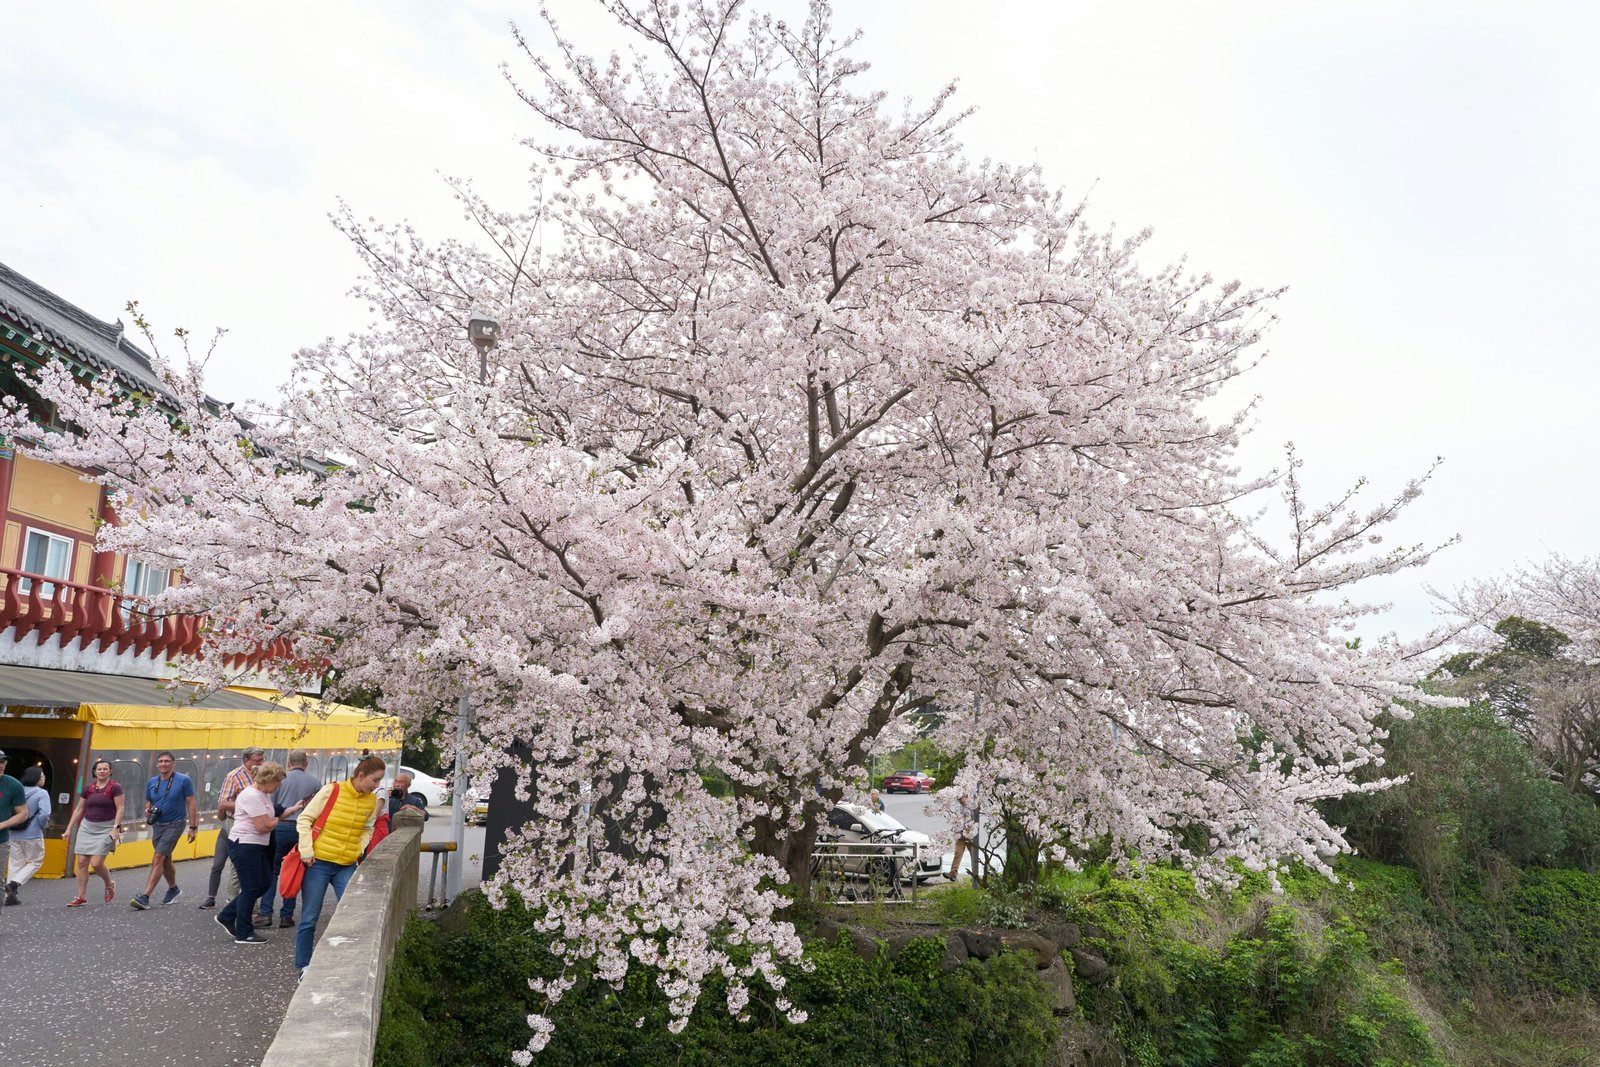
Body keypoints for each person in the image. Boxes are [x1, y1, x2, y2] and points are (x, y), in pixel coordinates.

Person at [293, 754, 385, 976]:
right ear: (360, 775)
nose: (377, 786)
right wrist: (306, 850)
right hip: (319, 862)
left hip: (346, 864)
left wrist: (358, 849)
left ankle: (348, 961)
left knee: (354, 913)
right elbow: (304, 819)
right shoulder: (331, 791)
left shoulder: (371, 801)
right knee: (310, 916)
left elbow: (367, 828)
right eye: (375, 780)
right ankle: (304, 966)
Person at [217, 762, 306, 944]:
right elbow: (263, 826)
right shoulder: (251, 796)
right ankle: (244, 932)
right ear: (268, 780)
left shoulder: (262, 794)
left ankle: (227, 915)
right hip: (245, 844)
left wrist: (291, 810)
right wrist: (279, 818)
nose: (279, 785)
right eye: (278, 781)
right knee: (251, 887)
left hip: (256, 845)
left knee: (264, 883)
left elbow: (270, 817)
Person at [259, 749, 320, 928]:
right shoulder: (315, 783)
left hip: (281, 826)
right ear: (306, 763)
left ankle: (265, 913)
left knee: (273, 870)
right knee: (294, 870)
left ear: (289, 763)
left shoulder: (281, 780)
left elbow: (273, 806)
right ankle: (287, 915)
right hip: (302, 829)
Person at [129, 752, 198, 910]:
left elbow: (191, 803)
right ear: (157, 764)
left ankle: (145, 897)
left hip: (175, 823)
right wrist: (148, 809)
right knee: (165, 858)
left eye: (167, 761)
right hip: (158, 825)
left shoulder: (183, 780)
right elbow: (148, 801)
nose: (164, 764)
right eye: (160, 761)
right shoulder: (152, 782)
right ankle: (173, 889)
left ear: (173, 763)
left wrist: (193, 827)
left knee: (158, 857)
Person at [200, 746, 265, 909]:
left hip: (255, 823)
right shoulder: (234, 776)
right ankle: (231, 901)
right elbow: (223, 802)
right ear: (246, 760)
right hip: (236, 822)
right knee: (234, 863)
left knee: (251, 863)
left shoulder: (264, 775)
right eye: (256, 761)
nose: (259, 763)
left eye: (261, 760)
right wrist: (247, 805)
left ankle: (249, 903)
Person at [63, 758, 124, 906]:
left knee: (96, 863)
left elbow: (121, 808)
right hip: (87, 826)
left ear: (110, 771)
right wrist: (69, 828)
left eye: (105, 769)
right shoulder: (88, 788)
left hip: (106, 827)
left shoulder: (115, 787)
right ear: (94, 772)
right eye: (99, 769)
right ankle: (81, 896)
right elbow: (79, 809)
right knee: (82, 862)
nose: (102, 771)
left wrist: (116, 828)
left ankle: (109, 884)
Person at [6, 767, 51, 905]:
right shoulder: (42, 793)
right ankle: (14, 884)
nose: (44, 778)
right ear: (35, 778)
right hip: (33, 834)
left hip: (13, 833)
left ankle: (10, 896)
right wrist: (41, 826)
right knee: (36, 861)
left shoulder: (16, 790)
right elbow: (45, 814)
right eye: (42, 776)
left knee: (15, 863)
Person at [0, 752, 31, 915]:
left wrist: (2, 825)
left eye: (3, 762)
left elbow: (23, 813)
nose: (1, 765)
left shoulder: (13, 785)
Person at [947, 793, 978, 882]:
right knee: (958, 853)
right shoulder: (957, 808)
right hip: (960, 834)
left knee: (974, 854)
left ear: (966, 797)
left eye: (961, 798)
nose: (960, 800)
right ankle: (953, 873)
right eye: (958, 799)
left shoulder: (972, 806)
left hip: (970, 834)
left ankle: (975, 875)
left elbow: (974, 820)